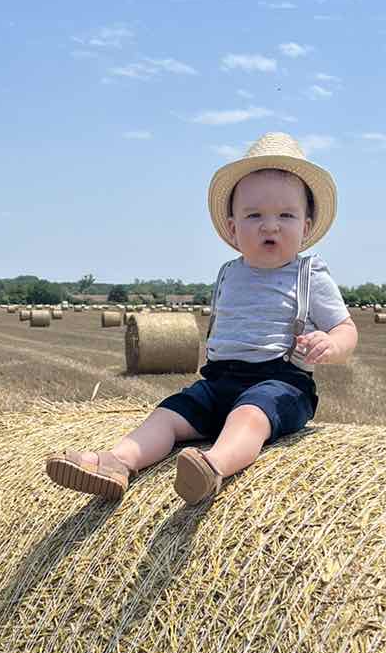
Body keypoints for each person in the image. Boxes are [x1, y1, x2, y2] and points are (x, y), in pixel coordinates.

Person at [45, 132, 358, 505]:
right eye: (254, 215)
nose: (270, 225)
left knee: (250, 416)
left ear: (306, 228)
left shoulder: (310, 274)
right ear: (231, 228)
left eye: (285, 215)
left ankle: (212, 467)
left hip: (280, 384)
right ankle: (117, 463)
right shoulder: (229, 272)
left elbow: (345, 328)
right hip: (217, 383)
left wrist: (332, 344)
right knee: (166, 416)